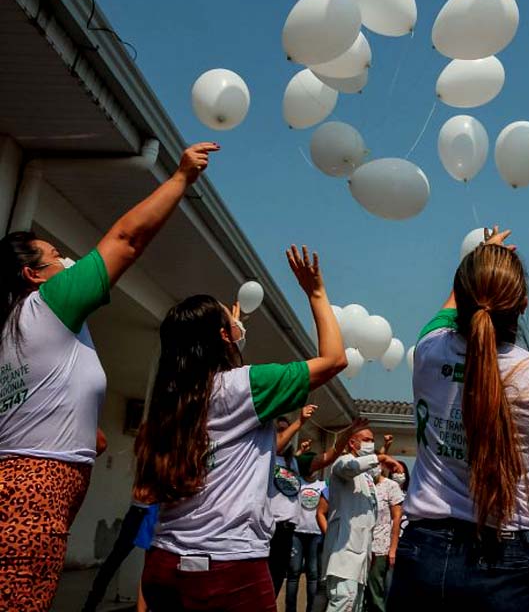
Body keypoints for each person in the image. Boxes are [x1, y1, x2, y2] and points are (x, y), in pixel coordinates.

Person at [0, 142, 217, 611]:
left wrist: (82, 434)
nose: (67, 261)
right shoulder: (50, 302)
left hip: (27, 481)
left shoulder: (17, 328)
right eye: (55, 255)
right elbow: (125, 240)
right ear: (34, 275)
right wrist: (180, 178)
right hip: (34, 493)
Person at [388, 227, 529, 612]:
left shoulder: (428, 350)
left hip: (423, 555)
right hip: (511, 564)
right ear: (522, 304)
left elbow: (452, 304)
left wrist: (480, 255)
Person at [134, 244, 347, 611]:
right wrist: (316, 292)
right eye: (230, 323)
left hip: (164, 563)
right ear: (222, 337)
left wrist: (228, 333)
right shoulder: (244, 387)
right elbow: (334, 359)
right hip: (226, 570)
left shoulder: (170, 397)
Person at [321, 426, 402, 612]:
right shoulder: (343, 463)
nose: (371, 444)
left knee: (355, 605)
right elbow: (352, 467)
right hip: (344, 554)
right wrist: (381, 458)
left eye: (372, 440)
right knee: (344, 601)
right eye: (366, 440)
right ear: (352, 443)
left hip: (361, 555)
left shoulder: (366, 477)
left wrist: (383, 455)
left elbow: (371, 469)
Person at [80, 486, 159, 612]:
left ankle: (91, 605)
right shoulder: (150, 469)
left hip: (150, 511)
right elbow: (141, 493)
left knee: (150, 565)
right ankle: (90, 604)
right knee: (115, 559)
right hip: (143, 511)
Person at [269, 405, 317, 595]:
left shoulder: (293, 462)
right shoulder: (267, 456)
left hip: (288, 530)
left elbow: (324, 459)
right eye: (280, 430)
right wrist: (300, 421)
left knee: (278, 578)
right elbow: (278, 444)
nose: (285, 433)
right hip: (270, 528)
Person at [365, 454, 404, 612]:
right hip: (361, 546)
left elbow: (396, 518)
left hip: (380, 547)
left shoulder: (391, 486)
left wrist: (393, 548)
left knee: (377, 593)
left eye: (376, 464)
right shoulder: (364, 486)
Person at [286, 469, 327, 612]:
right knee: (293, 573)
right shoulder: (297, 482)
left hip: (316, 534)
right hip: (297, 532)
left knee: (313, 574)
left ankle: (311, 609)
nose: (313, 470)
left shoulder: (323, 485)